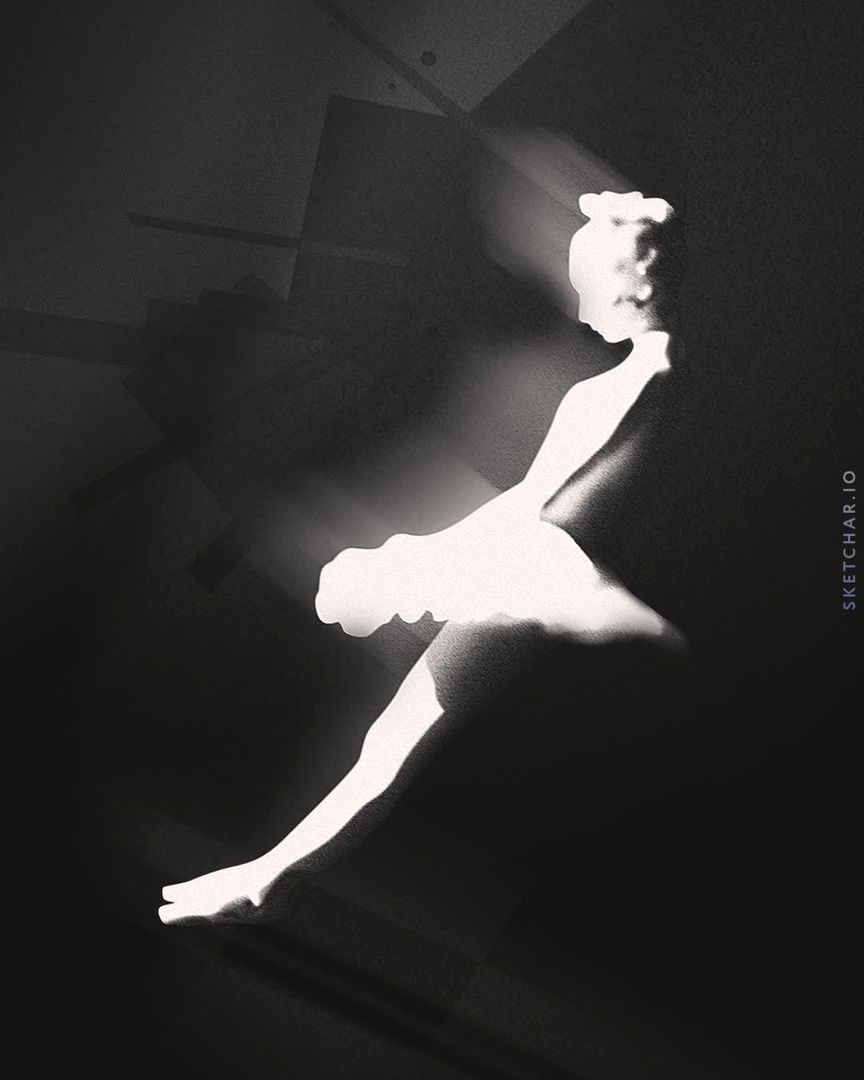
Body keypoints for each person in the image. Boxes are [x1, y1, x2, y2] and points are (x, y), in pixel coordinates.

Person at [158, 190, 689, 926]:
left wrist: (410, 566)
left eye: (591, 289)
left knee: (397, 736)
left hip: (543, 566)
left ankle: (266, 880)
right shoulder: (645, 381)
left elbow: (535, 506)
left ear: (639, 281)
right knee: (394, 736)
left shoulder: (631, 384)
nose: (581, 308)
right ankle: (266, 878)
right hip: (544, 562)